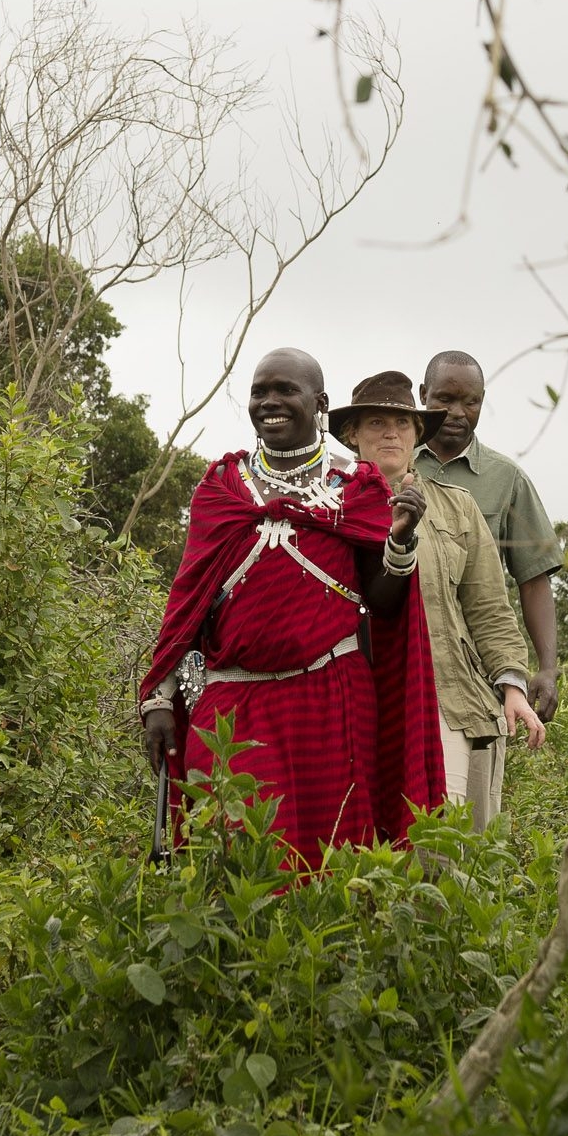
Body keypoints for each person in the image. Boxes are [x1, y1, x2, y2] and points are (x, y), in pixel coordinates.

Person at [137, 349, 445, 863]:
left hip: (332, 700)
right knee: (228, 862)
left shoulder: (356, 487)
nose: (270, 403)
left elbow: (384, 605)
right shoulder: (221, 489)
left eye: (285, 391)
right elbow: (187, 603)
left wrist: (400, 541)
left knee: (332, 868)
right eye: (260, 392)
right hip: (233, 705)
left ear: (320, 404)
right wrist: (160, 699)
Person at [330, 371, 545, 828]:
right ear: (352, 435)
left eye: (403, 423)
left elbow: (488, 607)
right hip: (354, 701)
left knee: (445, 849)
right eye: (376, 423)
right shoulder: (326, 508)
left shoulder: (458, 506)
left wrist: (513, 685)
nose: (391, 433)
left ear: (417, 434)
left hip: (447, 698)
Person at [416, 350, 565, 720]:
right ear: (423, 395)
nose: (458, 412)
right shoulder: (390, 466)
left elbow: (534, 580)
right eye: (445, 399)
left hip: (479, 670)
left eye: (471, 402)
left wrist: (546, 669)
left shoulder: (507, 479)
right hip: (403, 658)